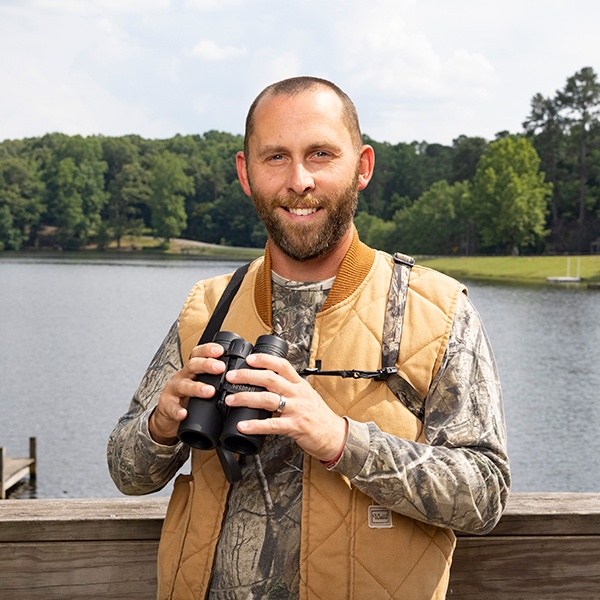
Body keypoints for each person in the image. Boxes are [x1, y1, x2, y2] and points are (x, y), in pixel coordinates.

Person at [107, 76, 510, 600]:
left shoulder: (438, 309)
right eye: (275, 157)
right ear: (245, 173)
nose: (299, 180)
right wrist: (161, 426)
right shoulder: (208, 308)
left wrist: (342, 441)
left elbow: (484, 493)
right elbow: (127, 471)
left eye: (320, 154)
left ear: (361, 167)